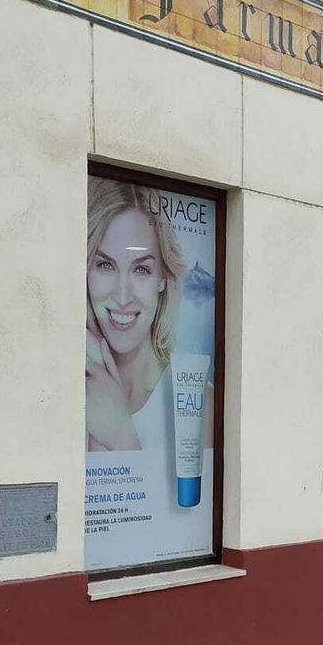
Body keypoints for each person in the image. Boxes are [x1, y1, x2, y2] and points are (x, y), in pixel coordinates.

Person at [85, 180, 187, 452]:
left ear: (163, 278)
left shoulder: (197, 401)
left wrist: (121, 435)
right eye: (105, 265)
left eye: (141, 270)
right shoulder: (67, 383)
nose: (122, 296)